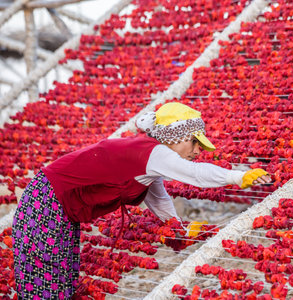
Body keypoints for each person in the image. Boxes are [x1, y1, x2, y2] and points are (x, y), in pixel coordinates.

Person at [12, 102, 271, 299]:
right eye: (195, 143)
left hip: (58, 205)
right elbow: (196, 174)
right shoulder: (154, 151)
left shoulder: (148, 157)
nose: (197, 151)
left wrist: (175, 228)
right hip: (46, 201)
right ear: (176, 135)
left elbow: (158, 197)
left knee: (62, 277)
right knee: (46, 277)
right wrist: (240, 176)